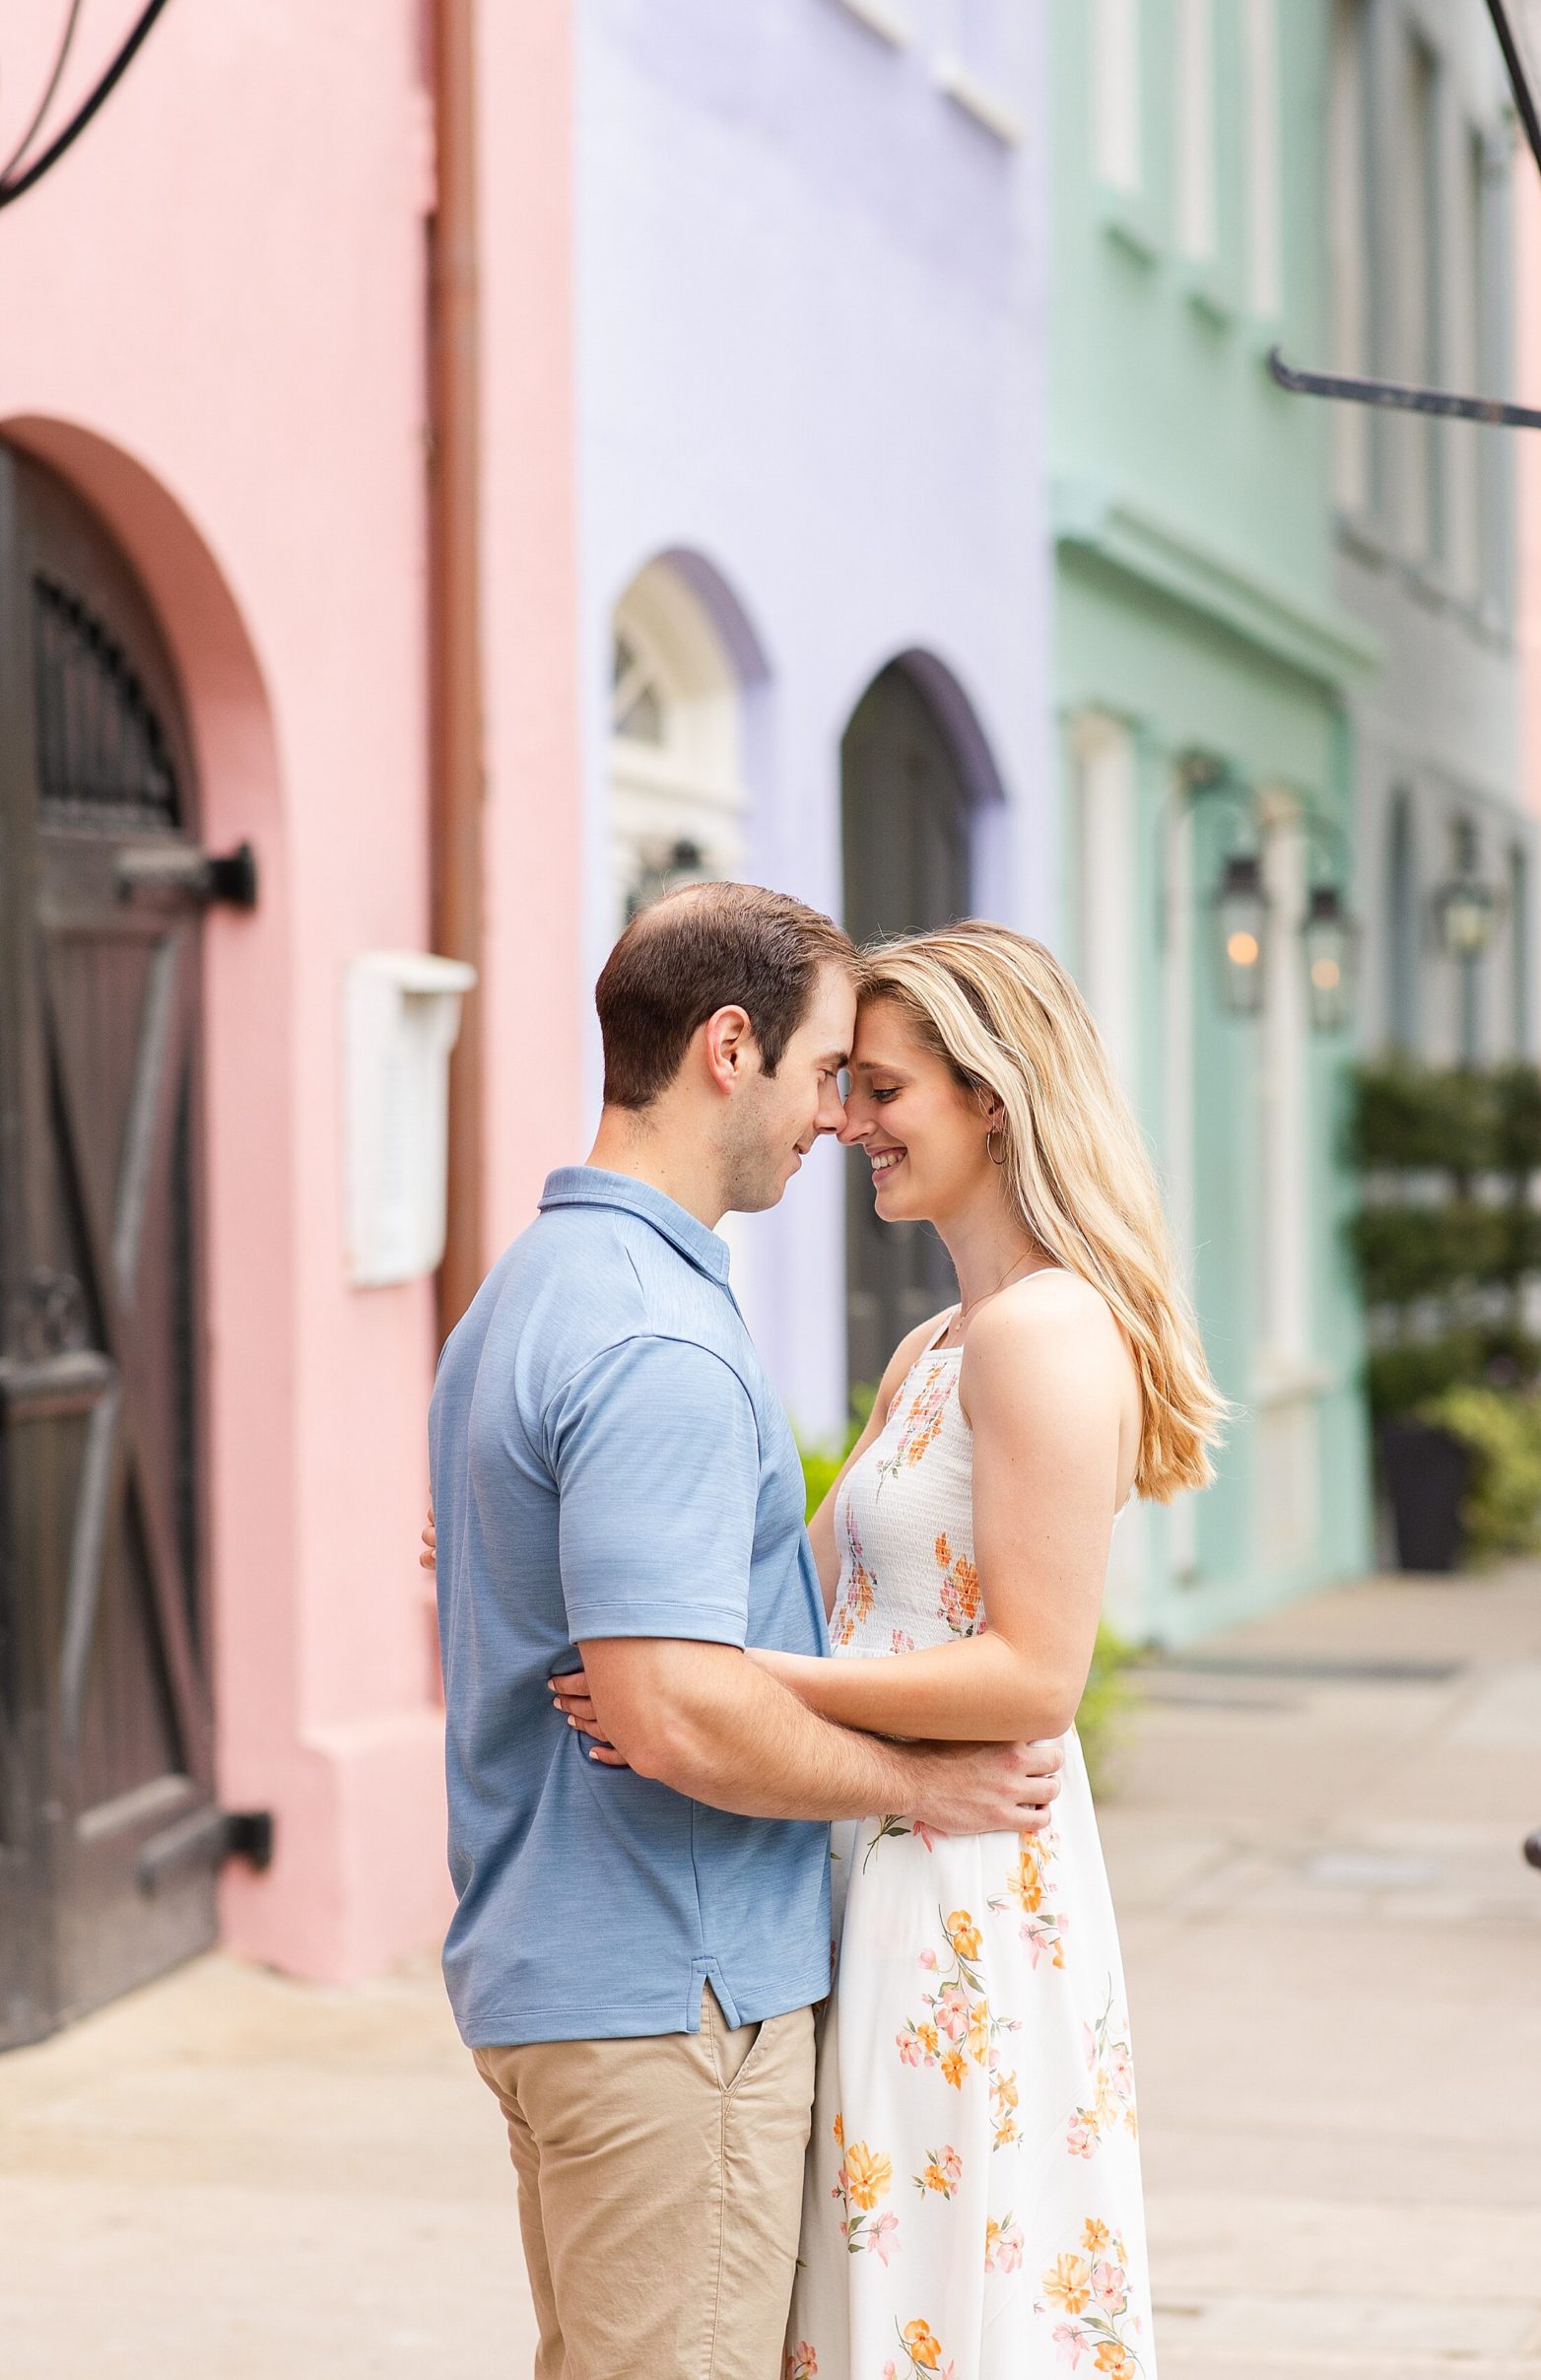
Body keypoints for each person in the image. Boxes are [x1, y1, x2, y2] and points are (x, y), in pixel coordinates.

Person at [558, 920, 1223, 2380]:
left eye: (884, 1090)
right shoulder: (937, 1344)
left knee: (932, 2287)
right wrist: (568, 1539)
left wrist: (734, 1687)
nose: (848, 1121)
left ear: (994, 1097)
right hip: (872, 1843)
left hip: (962, 1879)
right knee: (863, 2283)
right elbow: (787, 1595)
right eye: (846, 1085)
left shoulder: (1041, 1335)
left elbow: (1034, 1676)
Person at [426, 882, 1066, 2380]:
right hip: (673, 1996)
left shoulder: (527, 1292)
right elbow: (672, 1710)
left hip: (565, 1971)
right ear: (732, 1047)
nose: (838, 1118)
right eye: (829, 1070)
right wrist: (923, 1785)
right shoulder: (654, 1333)